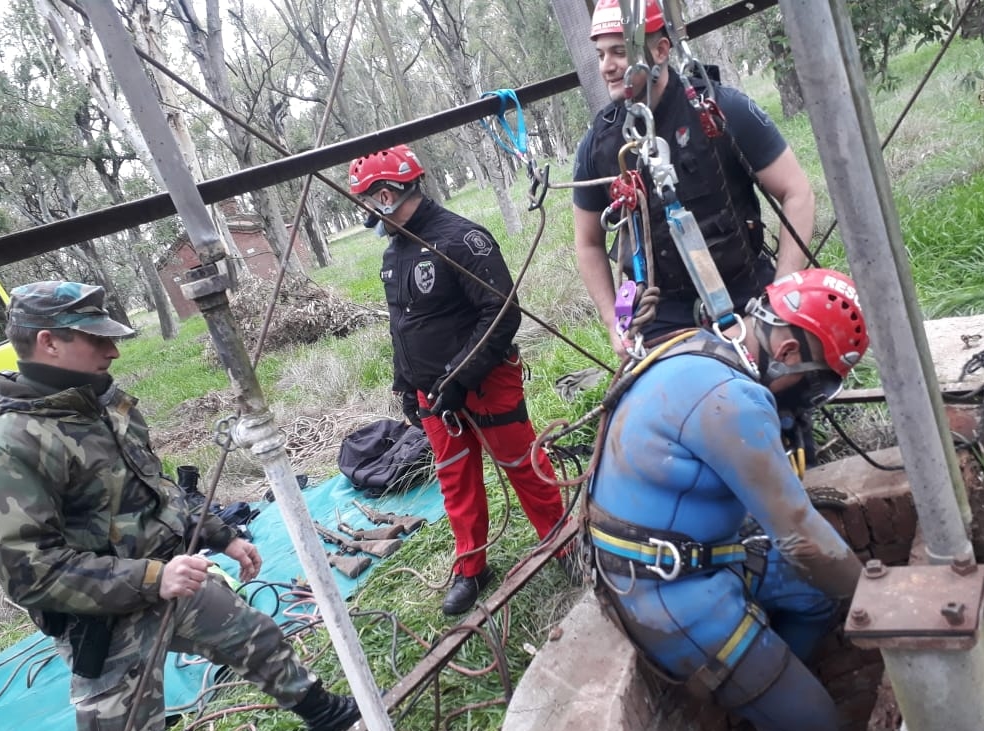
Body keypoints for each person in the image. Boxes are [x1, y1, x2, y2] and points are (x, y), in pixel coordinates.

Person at [0, 281, 359, 731]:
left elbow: (155, 490)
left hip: (172, 578)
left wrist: (218, 534)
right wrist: (153, 578)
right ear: (49, 342)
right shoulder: (12, 441)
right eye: (96, 338)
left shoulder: (103, 401)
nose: (113, 352)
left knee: (255, 637)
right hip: (102, 621)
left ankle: (329, 716)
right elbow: (30, 573)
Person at [585, 268, 869, 731]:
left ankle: (769, 693)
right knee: (821, 723)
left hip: (699, 555)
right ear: (788, 352)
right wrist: (878, 599)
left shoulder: (703, 346)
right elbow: (800, 534)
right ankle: (783, 703)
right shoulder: (732, 398)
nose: (809, 398)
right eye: (815, 384)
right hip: (668, 593)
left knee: (814, 598)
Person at [349, 145, 570, 615]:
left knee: (522, 467)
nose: (366, 213)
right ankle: (471, 567)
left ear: (386, 195)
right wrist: (405, 384)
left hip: (486, 384)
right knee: (455, 482)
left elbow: (502, 311)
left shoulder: (461, 240)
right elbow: (402, 325)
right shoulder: (395, 254)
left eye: (368, 201)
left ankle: (566, 545)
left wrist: (460, 376)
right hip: (434, 396)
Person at [573, 0, 816, 358]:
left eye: (619, 53)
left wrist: (780, 299)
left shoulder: (722, 110)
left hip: (746, 296)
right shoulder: (600, 144)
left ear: (660, 50)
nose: (606, 67)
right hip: (658, 319)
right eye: (601, 54)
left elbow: (797, 192)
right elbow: (589, 243)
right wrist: (615, 323)